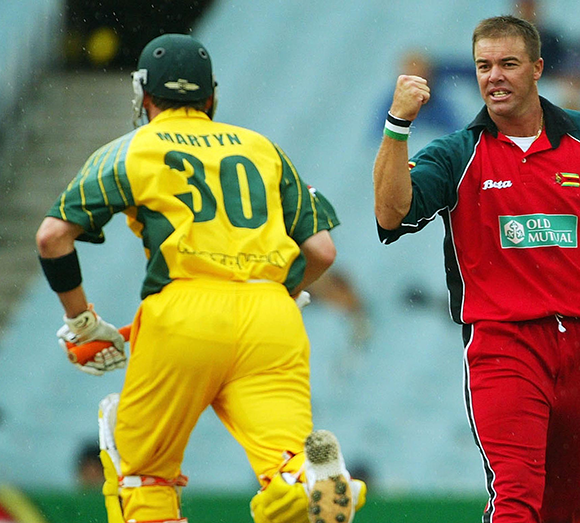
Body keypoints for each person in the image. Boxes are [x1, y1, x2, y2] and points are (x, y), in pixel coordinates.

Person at [372, 15, 580, 522]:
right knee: (517, 499)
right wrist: (397, 127)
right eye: (483, 66)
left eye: (507, 63)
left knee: (563, 511)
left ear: (538, 68)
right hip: (504, 344)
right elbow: (391, 212)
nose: (493, 76)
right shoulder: (458, 153)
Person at [35, 34, 364, 523]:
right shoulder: (263, 148)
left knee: (142, 476)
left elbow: (52, 238)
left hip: (183, 314)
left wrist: (82, 322)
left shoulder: (132, 148)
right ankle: (307, 482)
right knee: (286, 462)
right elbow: (321, 250)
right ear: (211, 96)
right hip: (271, 316)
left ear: (143, 95)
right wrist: (284, 293)